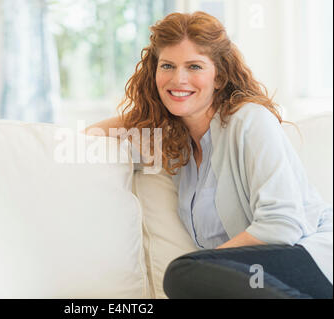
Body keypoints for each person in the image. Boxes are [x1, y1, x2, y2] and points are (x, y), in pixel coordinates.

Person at [85, 11, 333, 299]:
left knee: (182, 274)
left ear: (219, 77)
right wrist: (145, 112)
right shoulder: (176, 145)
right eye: (167, 66)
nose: (179, 78)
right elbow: (94, 136)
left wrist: (207, 266)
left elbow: (282, 225)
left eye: (194, 66)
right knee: (191, 277)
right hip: (251, 278)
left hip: (312, 259)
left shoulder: (249, 120)